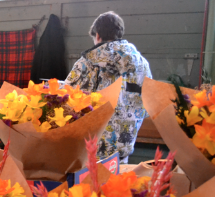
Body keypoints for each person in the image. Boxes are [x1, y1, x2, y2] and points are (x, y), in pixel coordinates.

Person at [65, 11, 152, 163]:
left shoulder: (88, 62)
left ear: (98, 36)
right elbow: (149, 103)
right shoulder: (142, 64)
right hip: (124, 147)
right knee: (118, 178)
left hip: (91, 149)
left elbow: (66, 98)